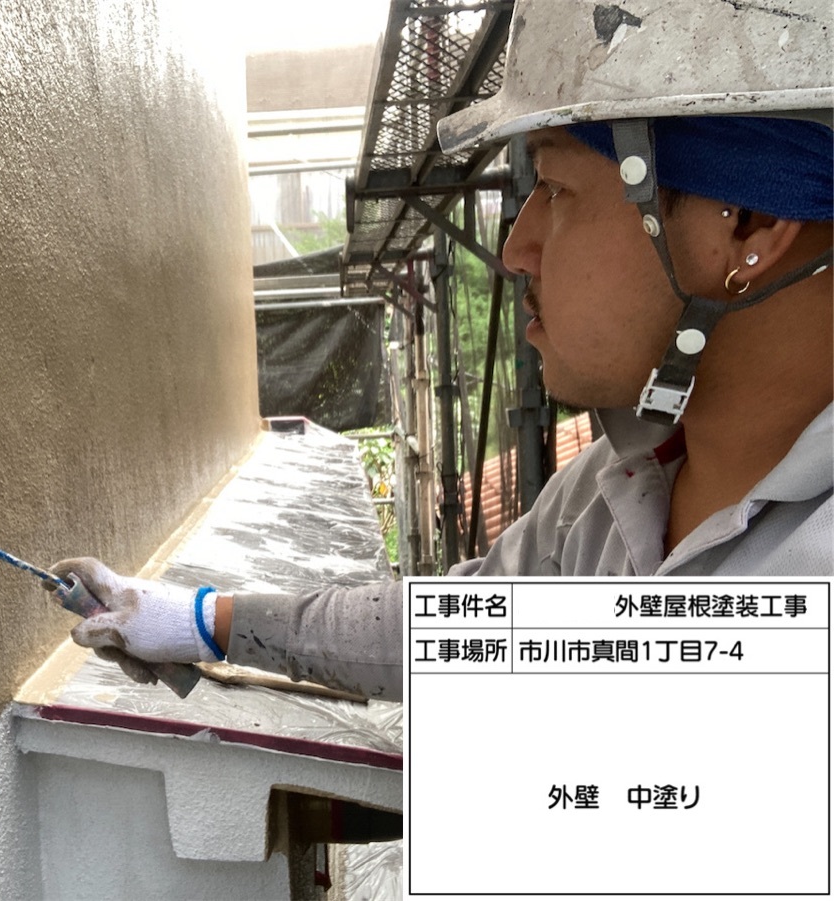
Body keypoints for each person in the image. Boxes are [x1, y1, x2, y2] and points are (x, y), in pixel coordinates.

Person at [54, 0, 833, 701]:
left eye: (556, 188)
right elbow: (451, 630)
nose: (516, 249)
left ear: (750, 219)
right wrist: (199, 620)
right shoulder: (611, 491)